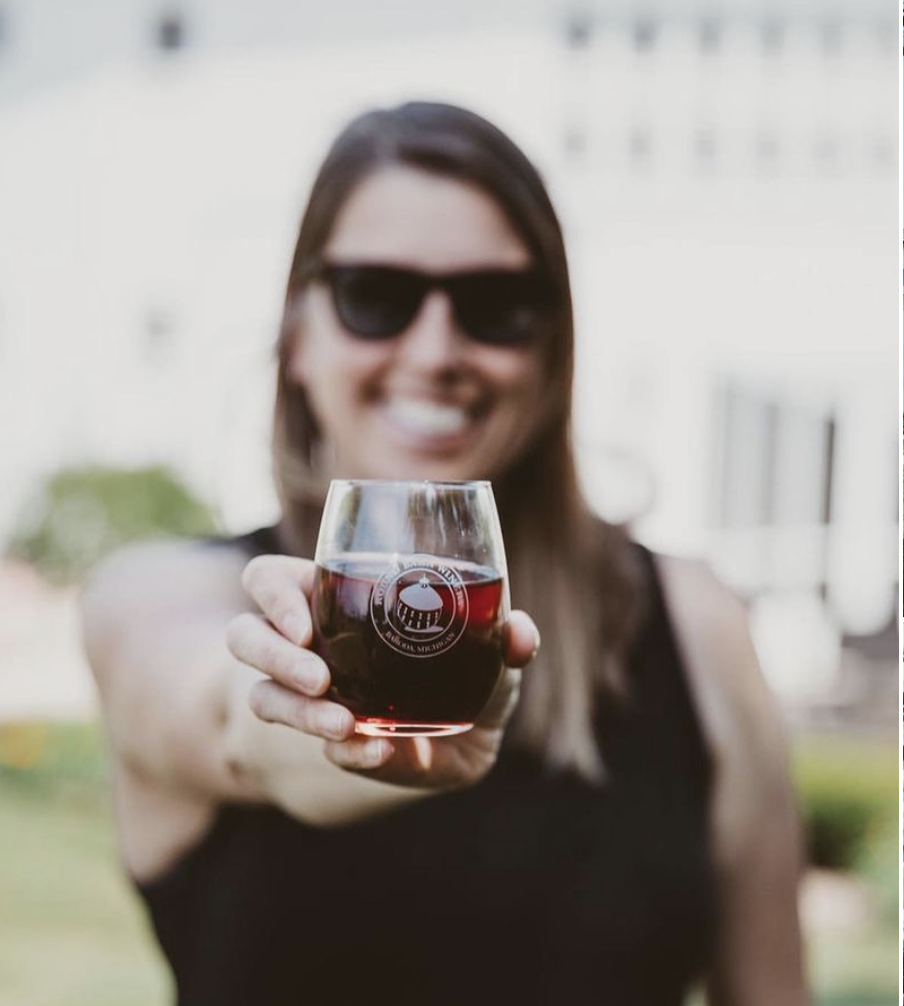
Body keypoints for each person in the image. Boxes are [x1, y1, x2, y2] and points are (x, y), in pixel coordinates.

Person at [81, 102, 808, 1005]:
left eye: (495, 306)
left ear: (553, 348)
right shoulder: (152, 597)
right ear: (297, 336)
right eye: (376, 296)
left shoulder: (700, 629)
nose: (435, 349)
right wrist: (331, 720)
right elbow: (227, 722)